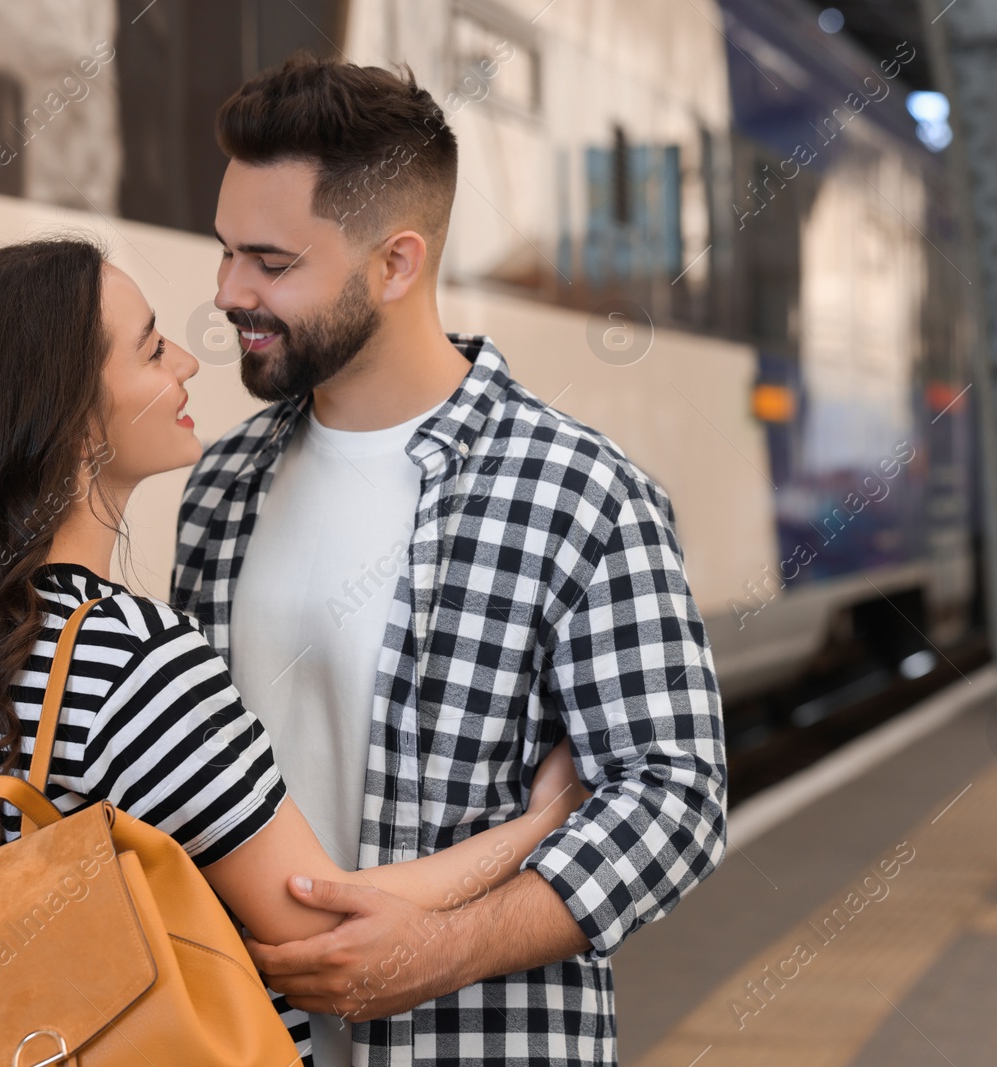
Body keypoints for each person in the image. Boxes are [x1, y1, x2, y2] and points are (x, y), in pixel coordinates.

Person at [0, 238, 591, 1063]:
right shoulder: (133, 660)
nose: (186, 361)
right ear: (73, 424)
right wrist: (537, 825)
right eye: (149, 349)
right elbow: (320, 920)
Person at [173, 56, 728, 1067]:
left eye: (270, 262)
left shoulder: (579, 493)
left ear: (395, 264)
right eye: (225, 253)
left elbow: (676, 797)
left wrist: (443, 948)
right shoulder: (220, 490)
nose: (227, 293)